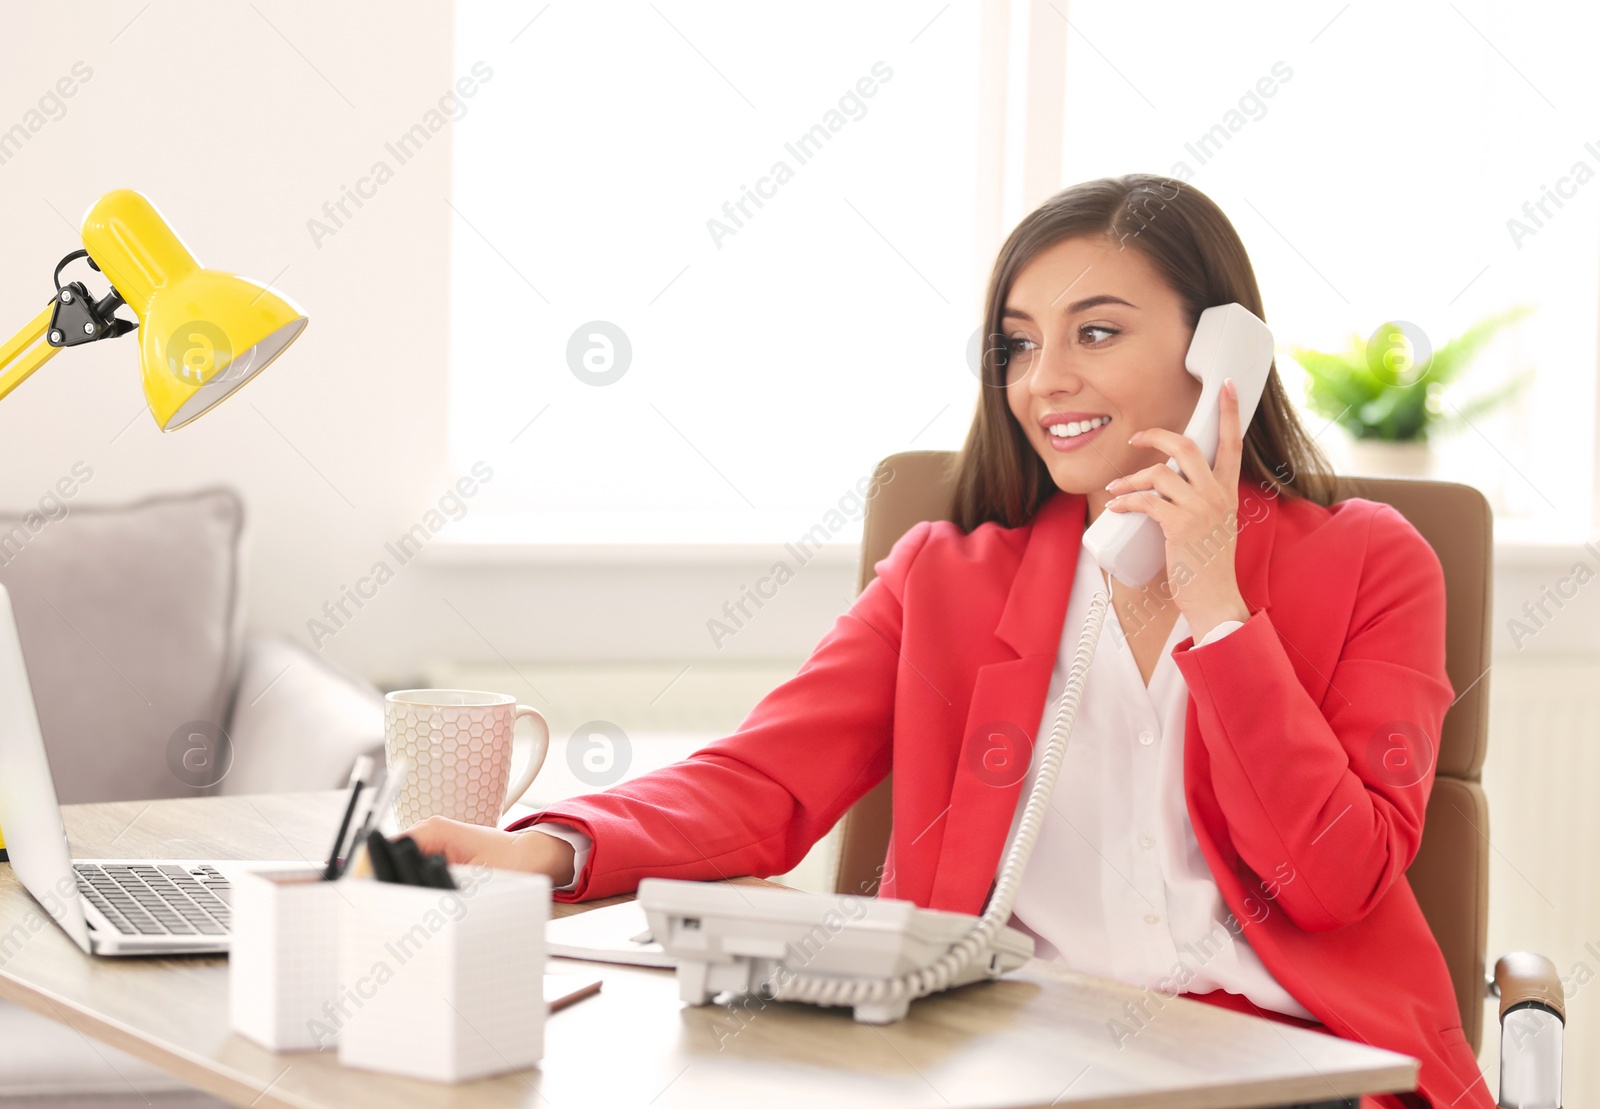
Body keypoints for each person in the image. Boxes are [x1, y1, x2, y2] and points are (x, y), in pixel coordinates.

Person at [408, 174, 1491, 1109]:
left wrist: (1216, 604)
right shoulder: (949, 575)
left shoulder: (1371, 562)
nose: (1042, 380)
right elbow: (760, 779)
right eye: (1018, 344)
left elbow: (1334, 880)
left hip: (1289, 1064)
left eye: (1096, 332)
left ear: (1221, 358)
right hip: (1012, 1047)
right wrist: (544, 848)